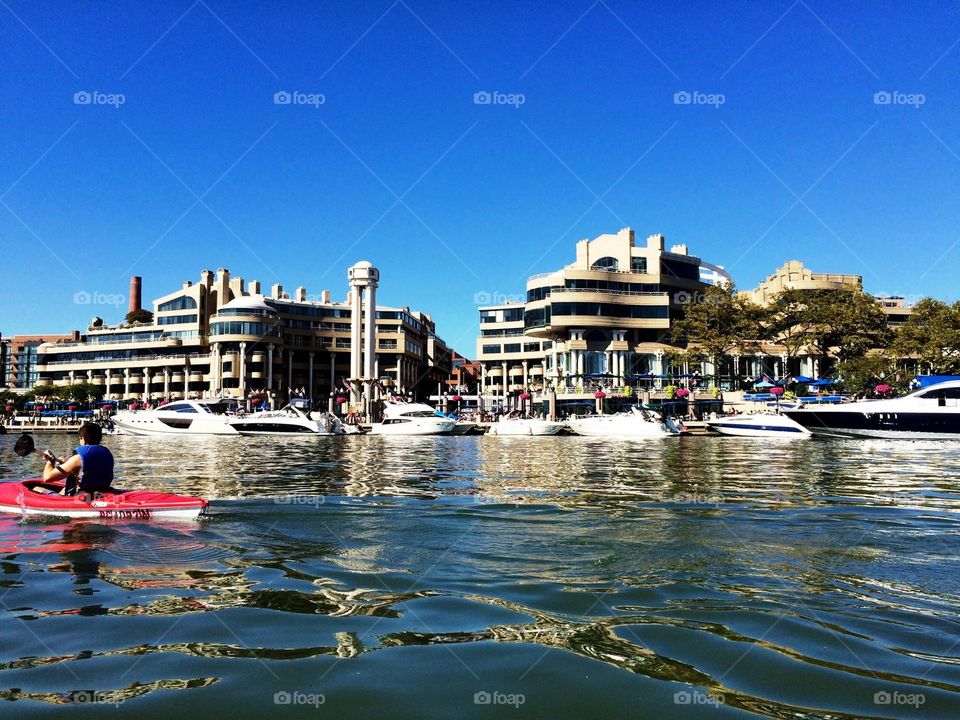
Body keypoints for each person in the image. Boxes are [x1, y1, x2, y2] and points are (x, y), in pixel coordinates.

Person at [42, 422, 114, 497]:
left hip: (84, 498)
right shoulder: (107, 454)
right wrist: (68, 462)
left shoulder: (77, 459)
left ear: (82, 438)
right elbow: (89, 468)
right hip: (101, 493)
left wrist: (50, 461)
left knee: (36, 488)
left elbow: (47, 478)